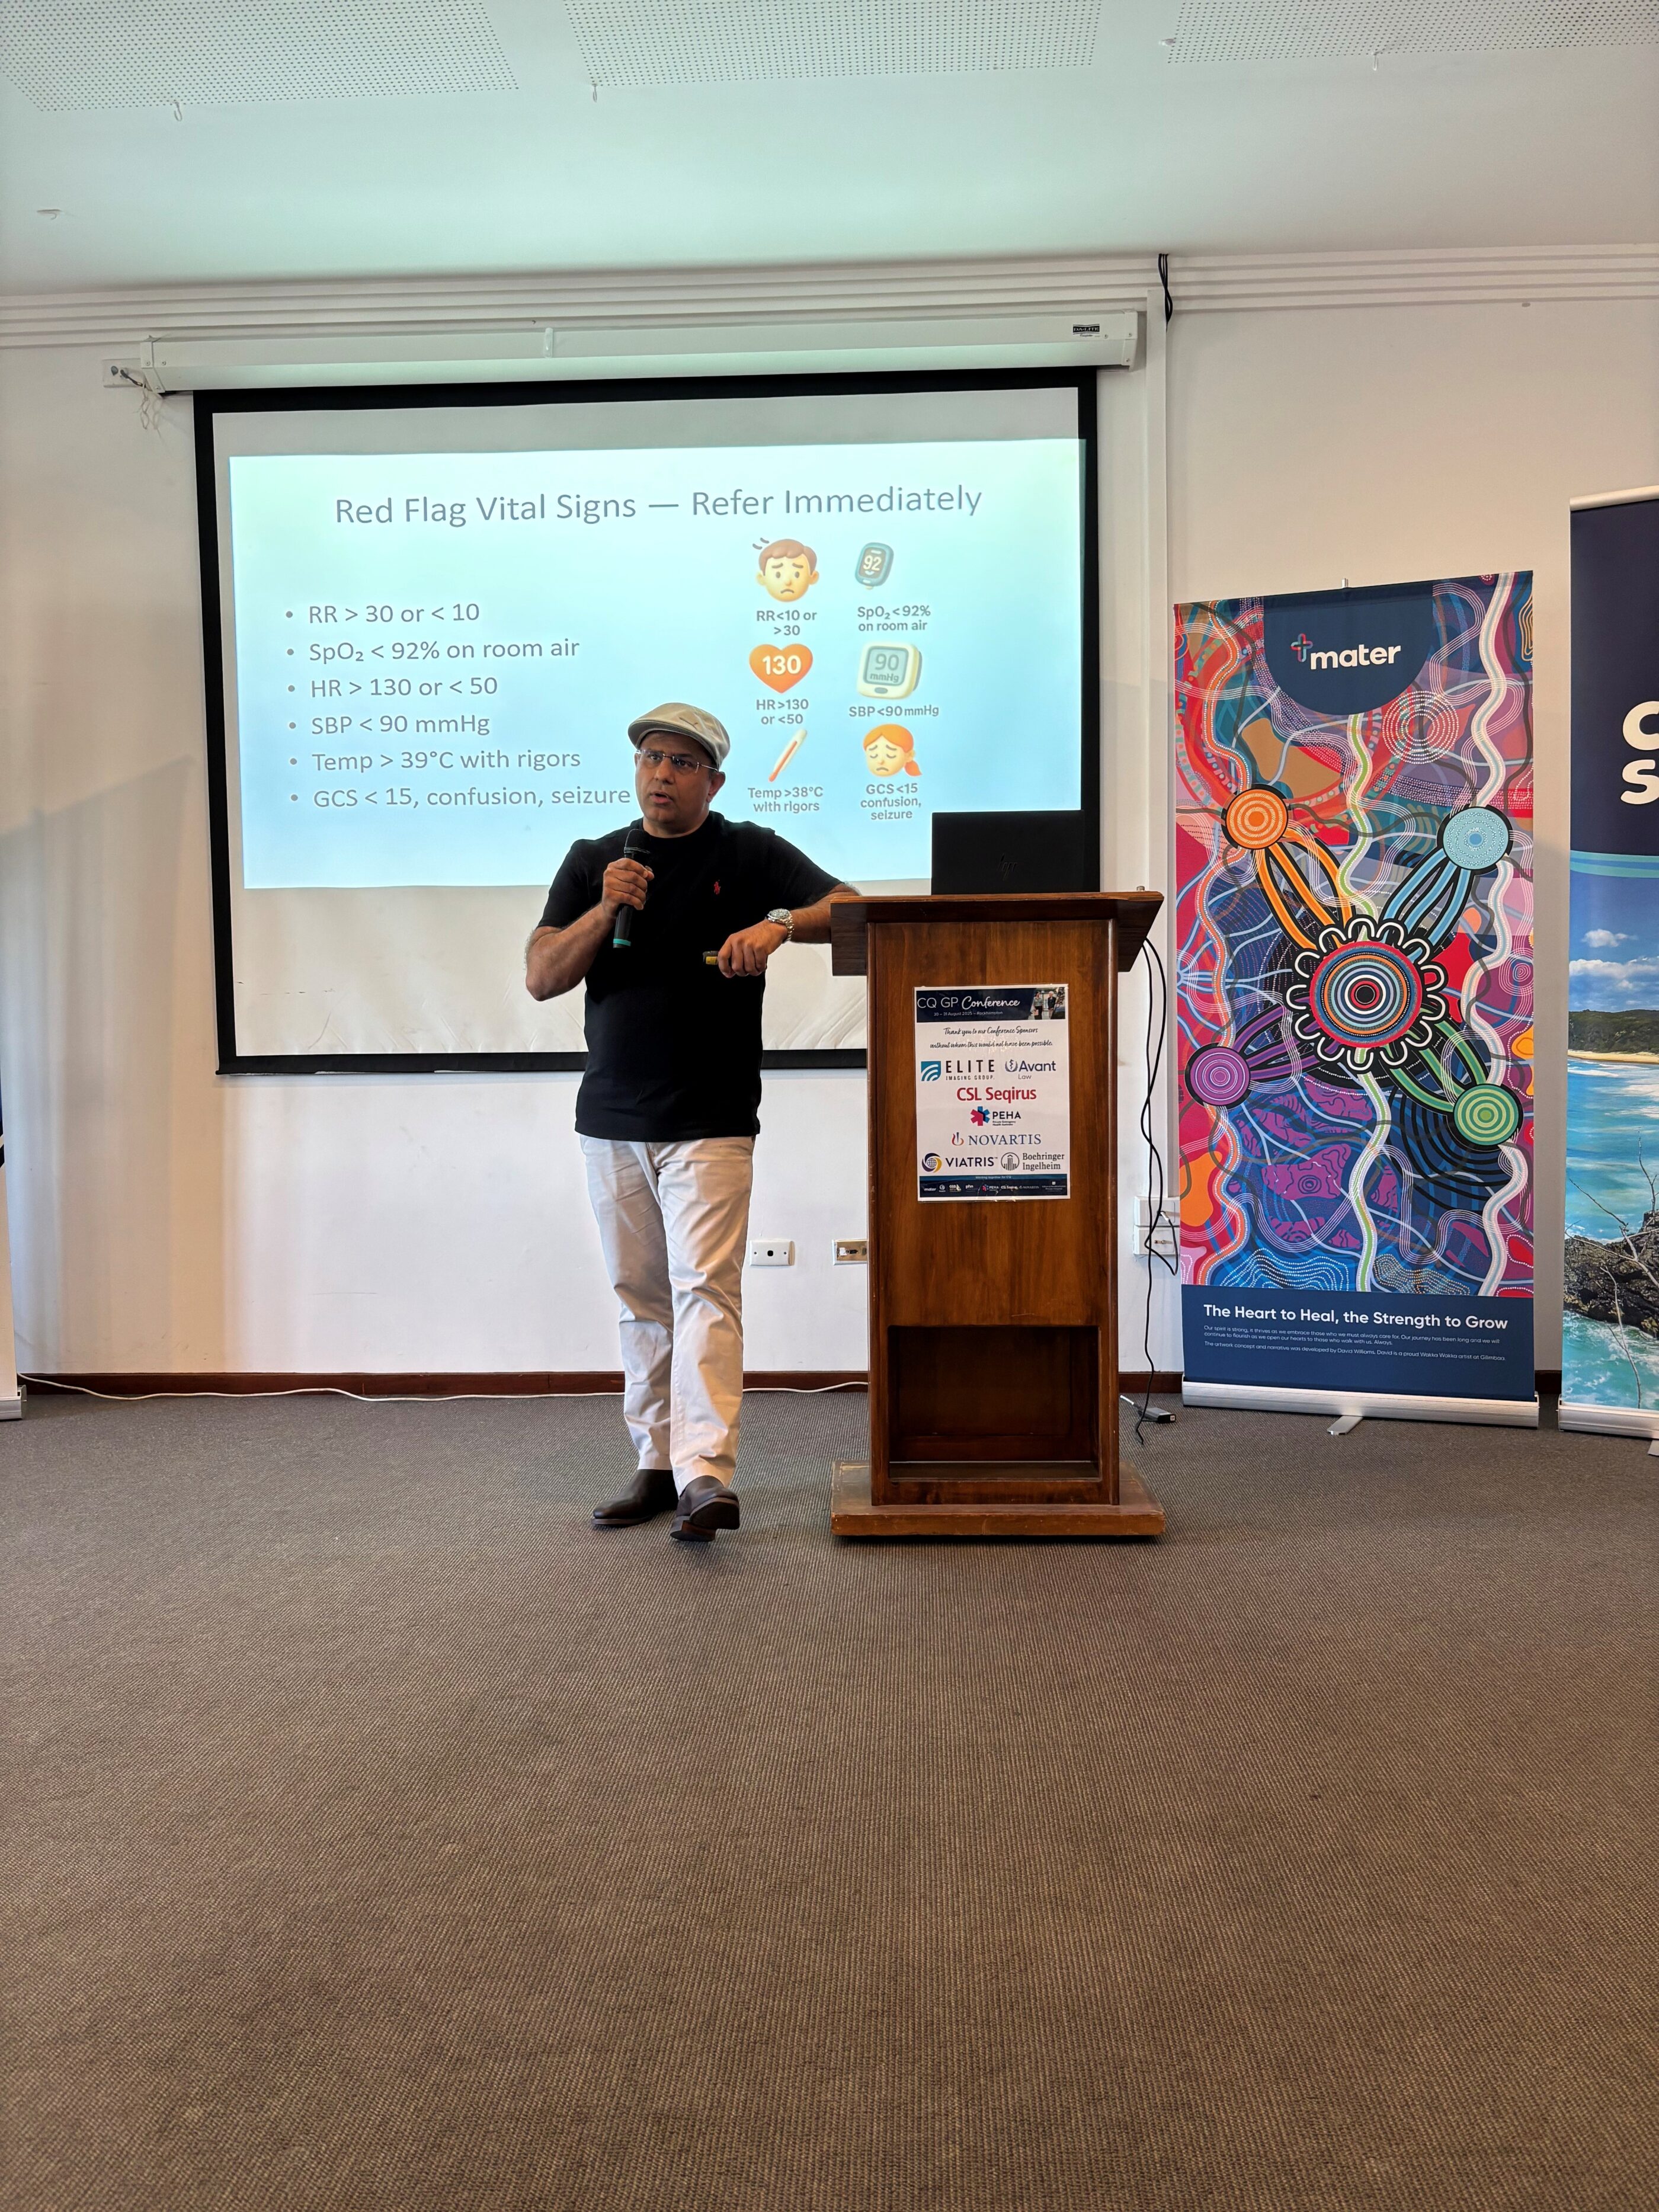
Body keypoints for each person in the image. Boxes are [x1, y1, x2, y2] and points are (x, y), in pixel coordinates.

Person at [526, 703, 854, 1544]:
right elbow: (541, 975)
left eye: (680, 762)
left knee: (705, 1289)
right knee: (640, 1299)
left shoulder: (749, 852)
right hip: (611, 1119)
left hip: (710, 1116)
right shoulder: (597, 861)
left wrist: (780, 925)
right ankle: (656, 1462)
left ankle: (705, 1472)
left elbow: (850, 907)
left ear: (714, 781)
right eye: (650, 758)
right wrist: (604, 909)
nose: (661, 774)